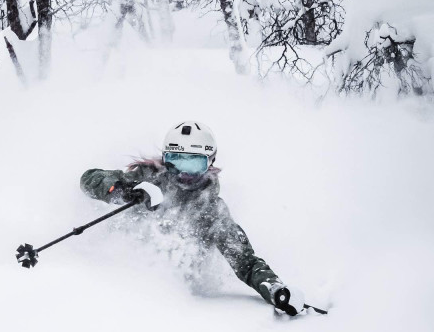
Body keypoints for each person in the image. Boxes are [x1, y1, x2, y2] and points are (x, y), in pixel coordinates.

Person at [80, 121, 306, 316]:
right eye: (176, 161)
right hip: (115, 273)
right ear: (165, 159)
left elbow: (245, 262)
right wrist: (122, 189)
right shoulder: (148, 178)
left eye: (194, 163)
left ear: (210, 162)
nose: (184, 173)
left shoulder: (211, 209)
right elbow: (90, 178)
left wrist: (275, 290)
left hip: (170, 298)